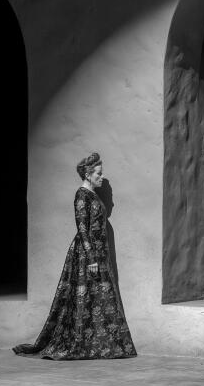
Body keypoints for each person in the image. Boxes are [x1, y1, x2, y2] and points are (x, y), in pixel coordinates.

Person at [13, 152, 136, 359]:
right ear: (88, 174)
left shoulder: (92, 195)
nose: (101, 176)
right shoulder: (81, 196)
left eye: (101, 172)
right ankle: (80, 343)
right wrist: (91, 259)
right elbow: (82, 228)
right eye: (98, 173)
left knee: (99, 298)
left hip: (99, 254)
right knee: (83, 299)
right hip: (87, 256)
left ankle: (105, 345)